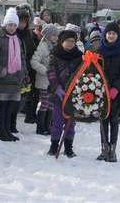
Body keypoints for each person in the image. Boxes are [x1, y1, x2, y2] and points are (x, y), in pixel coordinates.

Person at [0, 8, 27, 142]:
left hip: (15, 79)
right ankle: (1, 131)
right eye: (10, 24)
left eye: (14, 25)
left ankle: (7, 130)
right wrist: (0, 70)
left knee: (10, 107)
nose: (12, 27)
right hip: (2, 79)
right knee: (2, 106)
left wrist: (23, 74)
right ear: (5, 24)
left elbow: (22, 58)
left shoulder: (17, 39)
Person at [98, 22, 120, 162]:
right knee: (103, 120)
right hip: (102, 92)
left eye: (113, 33)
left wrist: (116, 88)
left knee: (113, 120)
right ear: (105, 35)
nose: (111, 36)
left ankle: (112, 150)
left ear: (117, 35)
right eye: (109, 33)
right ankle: (104, 149)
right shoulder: (100, 51)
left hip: (117, 93)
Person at [47, 30, 83, 158]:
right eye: (67, 41)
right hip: (58, 94)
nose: (69, 44)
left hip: (73, 94)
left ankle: (68, 147)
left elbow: (83, 73)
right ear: (61, 42)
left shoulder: (79, 56)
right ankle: (54, 145)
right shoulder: (54, 54)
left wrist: (77, 89)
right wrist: (56, 87)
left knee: (70, 122)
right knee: (57, 121)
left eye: (72, 41)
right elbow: (50, 72)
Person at [30, 24, 59, 135]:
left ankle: (48, 126)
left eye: (57, 35)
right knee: (45, 103)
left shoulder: (56, 46)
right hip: (43, 80)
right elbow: (34, 62)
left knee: (51, 103)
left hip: (53, 81)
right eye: (54, 35)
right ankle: (40, 127)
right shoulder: (42, 46)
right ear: (48, 36)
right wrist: (45, 70)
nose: (56, 37)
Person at [16, 4, 37, 126]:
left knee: (24, 97)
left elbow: (31, 50)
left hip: (28, 69)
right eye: (20, 21)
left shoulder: (28, 34)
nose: (22, 24)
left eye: (24, 22)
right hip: (17, 70)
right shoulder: (14, 34)